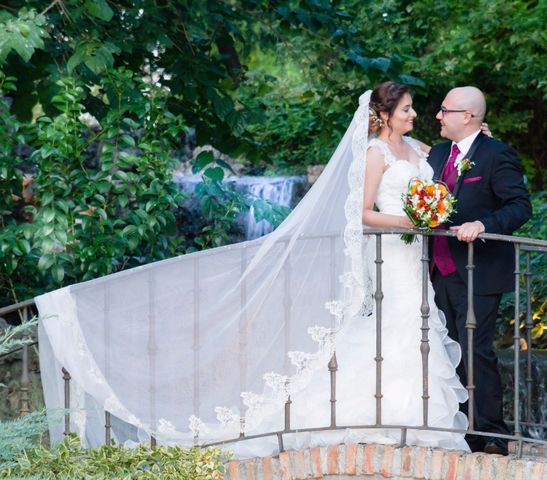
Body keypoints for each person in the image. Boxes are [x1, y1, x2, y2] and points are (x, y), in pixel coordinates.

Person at [35, 82, 473, 458]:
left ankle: (415, 418)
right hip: (393, 249)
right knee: (392, 324)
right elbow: (358, 214)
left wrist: (470, 145)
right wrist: (407, 221)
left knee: (415, 326)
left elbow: (447, 161)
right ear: (383, 114)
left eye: (414, 108)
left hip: (412, 255)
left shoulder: (417, 149)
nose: (415, 114)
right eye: (407, 109)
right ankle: (378, 418)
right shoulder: (376, 154)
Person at [428, 86, 532, 455]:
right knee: (447, 350)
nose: (438, 116)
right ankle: (460, 429)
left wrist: (484, 225)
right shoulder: (438, 154)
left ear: (467, 116)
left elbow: (520, 206)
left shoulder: (497, 154)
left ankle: (492, 433)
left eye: (444, 110)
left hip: (478, 269)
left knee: (476, 350)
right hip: (436, 270)